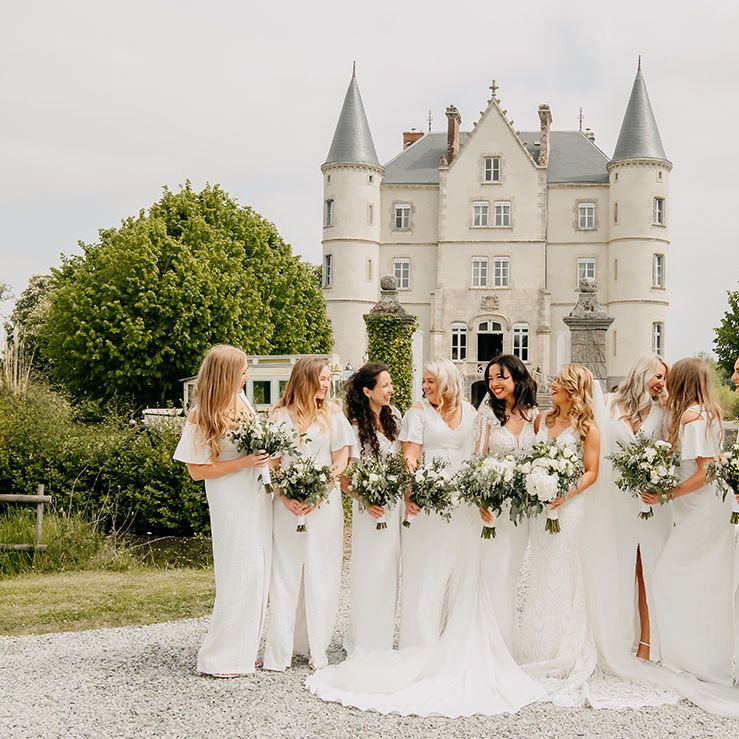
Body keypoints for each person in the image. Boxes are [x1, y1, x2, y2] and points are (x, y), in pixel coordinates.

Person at [306, 359, 545, 717]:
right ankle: (420, 643)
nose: (426, 387)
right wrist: (412, 492)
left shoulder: (471, 412)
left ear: (447, 381)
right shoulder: (417, 414)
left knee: (461, 570)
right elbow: (410, 458)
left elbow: (476, 455)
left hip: (461, 504)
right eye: (425, 381)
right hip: (427, 503)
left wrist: (478, 493)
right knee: (424, 572)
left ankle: (452, 636)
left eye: (431, 381)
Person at [173, 345, 272, 677]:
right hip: (230, 499)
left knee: (256, 573)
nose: (247, 375)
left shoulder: (243, 401)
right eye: (242, 370)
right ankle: (221, 656)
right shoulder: (201, 414)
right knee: (237, 572)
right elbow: (196, 471)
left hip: (255, 495)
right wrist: (243, 463)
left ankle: (245, 649)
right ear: (227, 374)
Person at [262, 357, 356, 672]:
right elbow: (272, 463)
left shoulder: (333, 414)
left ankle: (317, 648)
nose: (327, 384)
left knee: (321, 571)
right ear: (305, 380)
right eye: (322, 379)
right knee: (285, 573)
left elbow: (341, 460)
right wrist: (283, 495)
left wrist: (320, 489)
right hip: (286, 506)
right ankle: (280, 651)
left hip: (324, 504)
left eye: (329, 379)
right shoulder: (279, 416)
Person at [649, 357, 735, 686]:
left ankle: (688, 657)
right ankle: (699, 654)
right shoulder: (706, 411)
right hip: (704, 507)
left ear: (681, 381)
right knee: (704, 581)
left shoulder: (693, 417)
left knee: (668, 577)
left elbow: (706, 472)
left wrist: (667, 494)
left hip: (702, 509)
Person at [518, 364, 600, 705]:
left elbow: (591, 472)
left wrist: (563, 494)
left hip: (569, 508)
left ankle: (561, 648)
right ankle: (536, 646)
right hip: (542, 509)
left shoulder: (588, 428)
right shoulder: (542, 421)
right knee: (540, 570)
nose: (551, 385)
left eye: (558, 382)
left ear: (573, 389)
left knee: (563, 571)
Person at [602, 354, 670, 662]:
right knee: (617, 565)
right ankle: (614, 636)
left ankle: (647, 642)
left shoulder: (663, 411)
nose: (661, 383)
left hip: (647, 499)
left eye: (664, 378)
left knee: (646, 567)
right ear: (641, 373)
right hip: (614, 498)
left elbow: (671, 452)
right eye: (657, 376)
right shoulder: (610, 404)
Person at [476, 354, 538, 653]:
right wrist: (481, 499)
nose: (494, 384)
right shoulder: (488, 413)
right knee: (494, 570)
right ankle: (489, 643)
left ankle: (507, 641)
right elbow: (477, 458)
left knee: (511, 571)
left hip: (522, 509)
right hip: (494, 505)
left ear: (516, 377)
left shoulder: (534, 415)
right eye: (490, 379)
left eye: (500, 377)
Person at [343, 363, 402, 653]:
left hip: (394, 504)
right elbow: (344, 477)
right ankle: (365, 636)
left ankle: (384, 635)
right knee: (370, 569)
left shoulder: (395, 417)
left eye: (390, 384)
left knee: (390, 568)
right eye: (385, 385)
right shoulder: (353, 427)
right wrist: (365, 500)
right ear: (367, 391)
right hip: (368, 508)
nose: (390, 390)